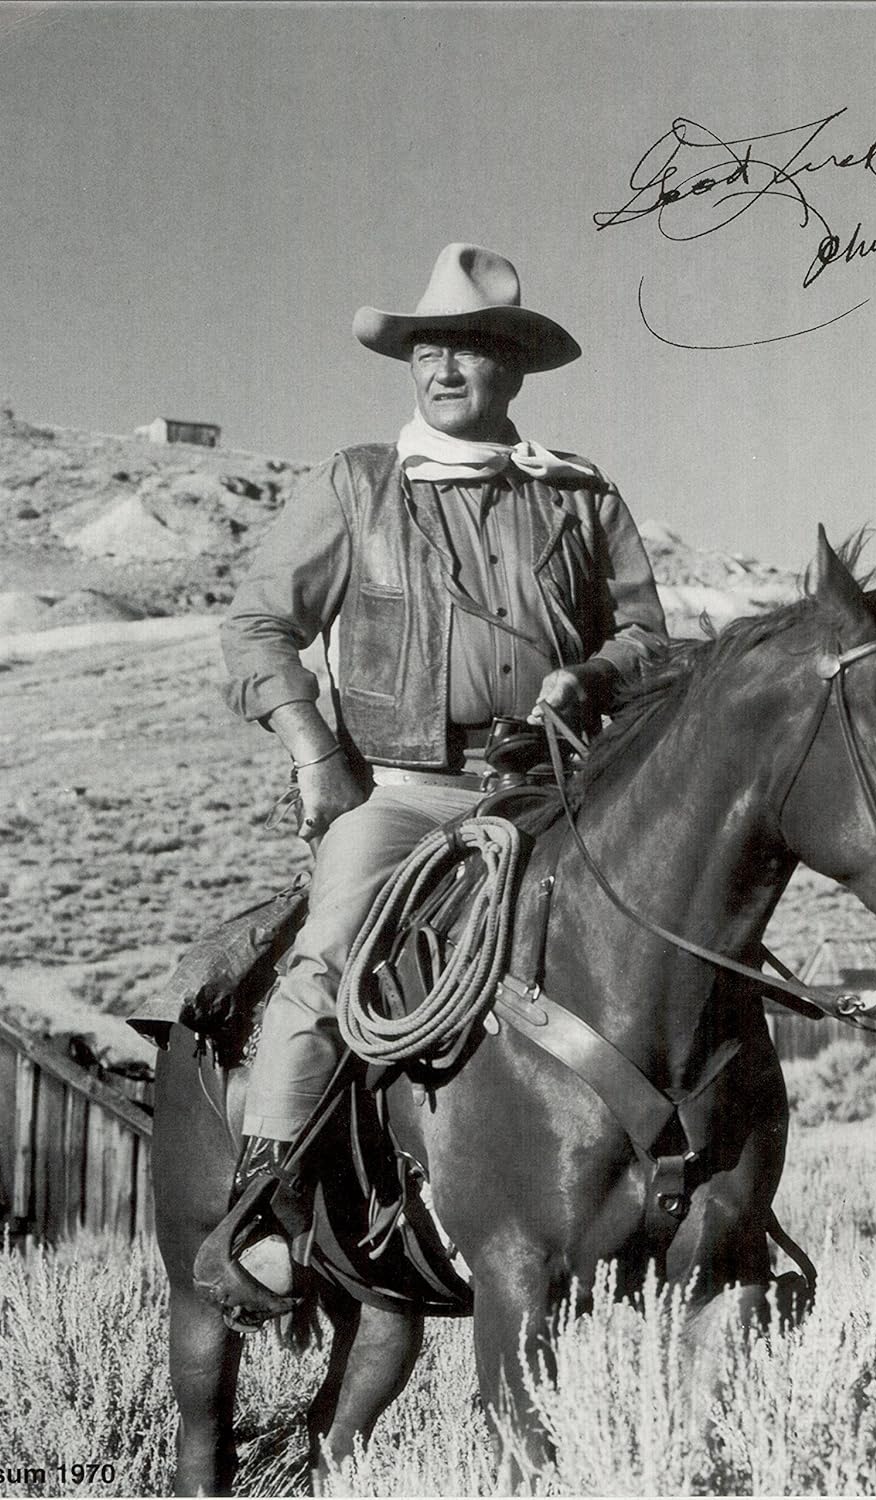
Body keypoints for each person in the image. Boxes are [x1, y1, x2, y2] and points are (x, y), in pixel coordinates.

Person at [214, 242, 667, 1304]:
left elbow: (649, 635)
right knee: (328, 959)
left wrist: (592, 675)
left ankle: (715, 1191)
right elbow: (256, 627)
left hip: (554, 785)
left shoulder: (580, 495)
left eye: (468, 349)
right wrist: (315, 752)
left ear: (514, 367)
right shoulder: (357, 485)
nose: (444, 368)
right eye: (427, 350)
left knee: (671, 934)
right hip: (403, 788)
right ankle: (265, 1208)